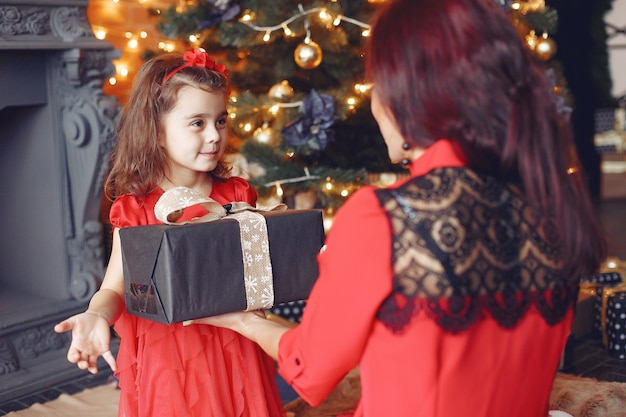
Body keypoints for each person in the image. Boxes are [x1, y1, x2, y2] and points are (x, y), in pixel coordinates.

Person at [190, 0, 607, 416]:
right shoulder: (552, 206)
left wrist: (241, 320)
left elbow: (310, 367)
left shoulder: (386, 217)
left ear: (408, 92)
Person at [54, 49, 285, 417]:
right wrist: (97, 316)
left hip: (235, 346)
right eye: (197, 123)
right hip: (170, 356)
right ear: (157, 133)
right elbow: (115, 286)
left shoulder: (237, 194)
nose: (214, 135)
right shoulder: (137, 209)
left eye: (220, 120)